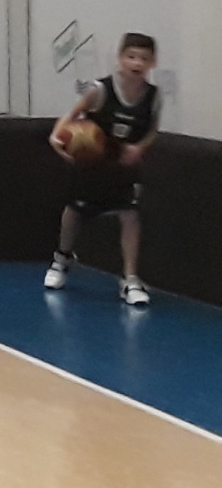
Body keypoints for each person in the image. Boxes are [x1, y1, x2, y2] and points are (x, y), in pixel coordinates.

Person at [47, 33, 161, 306]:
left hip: (122, 166)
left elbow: (153, 130)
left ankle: (130, 279)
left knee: (130, 215)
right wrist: (56, 135)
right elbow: (72, 114)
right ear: (120, 59)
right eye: (131, 56)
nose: (137, 63)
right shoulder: (101, 90)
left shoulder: (153, 96)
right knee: (75, 211)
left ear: (152, 63)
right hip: (92, 162)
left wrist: (139, 147)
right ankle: (62, 258)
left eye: (143, 59)